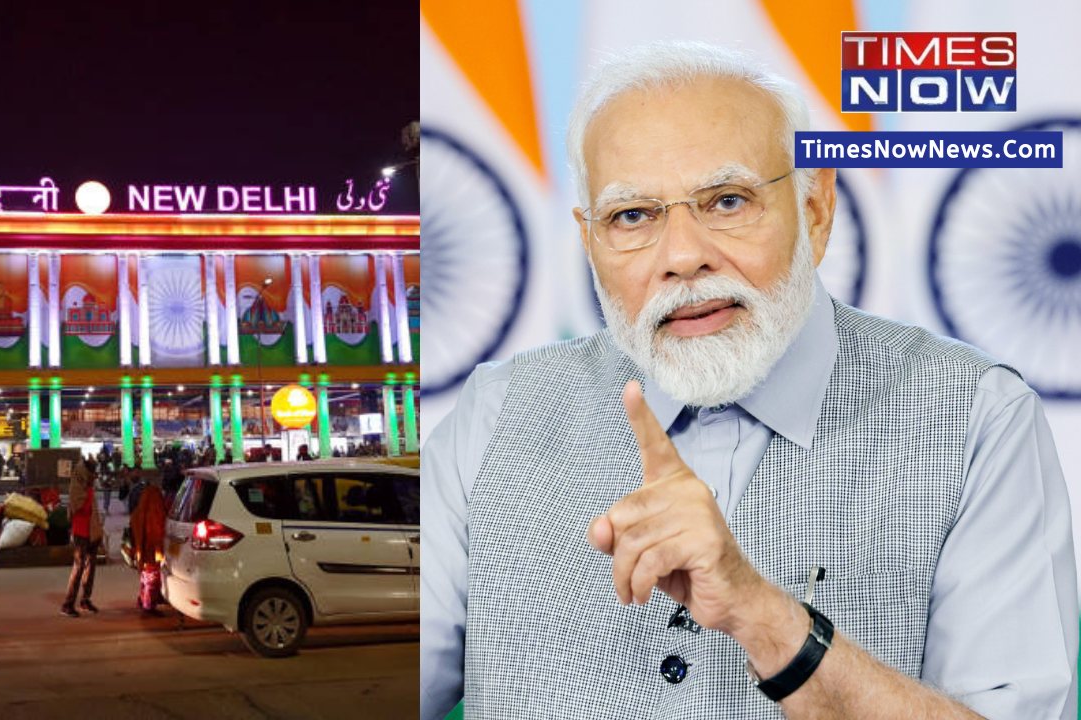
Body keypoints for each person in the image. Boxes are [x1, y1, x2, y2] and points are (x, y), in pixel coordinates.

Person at [421, 41, 1078, 720]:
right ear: (590, 242)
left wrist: (765, 618)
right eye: (633, 216)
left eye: (727, 201)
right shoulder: (494, 415)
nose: (682, 257)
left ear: (815, 211)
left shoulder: (976, 417)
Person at [62, 461, 103, 617]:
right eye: (92, 473)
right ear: (85, 473)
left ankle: (85, 599)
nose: (94, 475)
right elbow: (80, 507)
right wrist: (89, 491)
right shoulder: (77, 487)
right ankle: (67, 604)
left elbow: (93, 510)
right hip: (80, 532)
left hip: (91, 532)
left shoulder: (89, 486)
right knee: (78, 568)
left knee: (90, 567)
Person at [130, 482, 166, 615]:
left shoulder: (139, 510)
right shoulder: (153, 510)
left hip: (142, 550)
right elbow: (157, 530)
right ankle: (148, 605)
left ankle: (142, 599)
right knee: (152, 576)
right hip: (151, 549)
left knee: (145, 576)